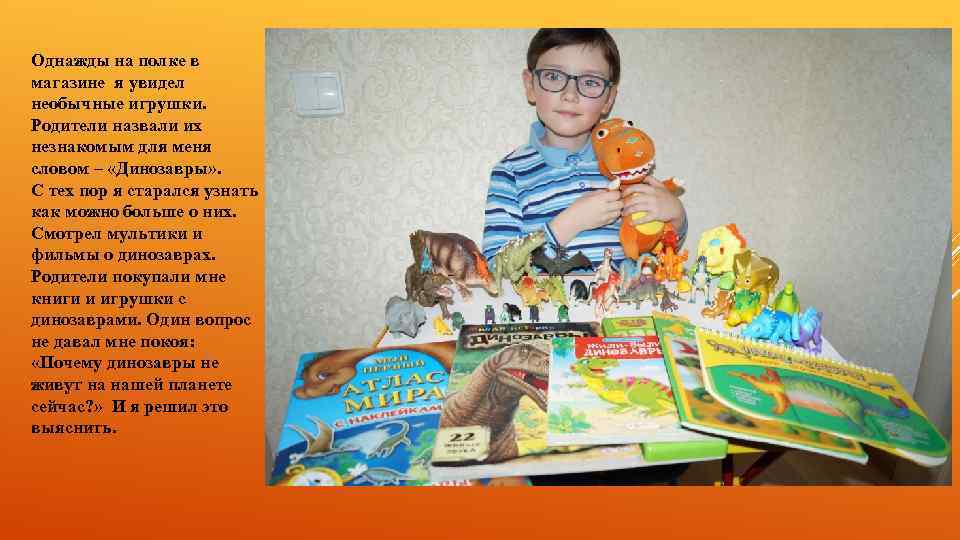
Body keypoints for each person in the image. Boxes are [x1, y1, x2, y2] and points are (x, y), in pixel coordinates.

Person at [481, 28, 687, 270]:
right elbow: (497, 269)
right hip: (547, 296)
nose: (570, 95)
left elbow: (654, 255)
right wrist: (569, 223)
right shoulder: (510, 173)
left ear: (608, 99)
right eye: (554, 76)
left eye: (590, 82)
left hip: (623, 295)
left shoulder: (624, 166)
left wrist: (676, 217)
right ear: (530, 85)